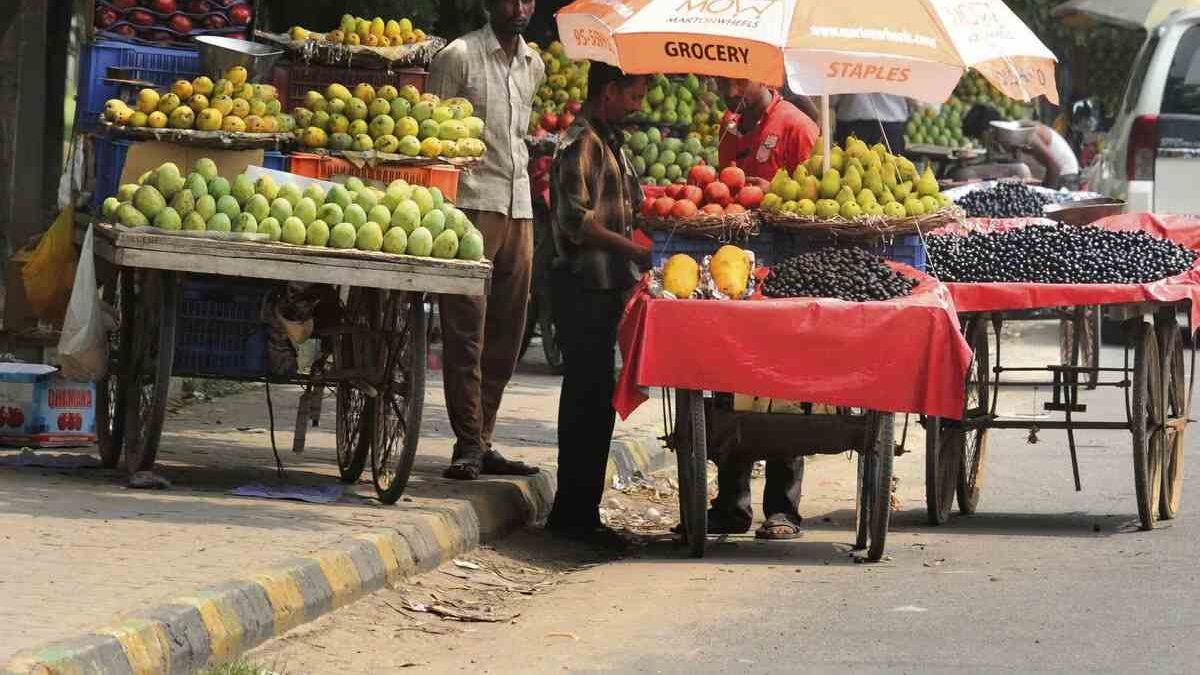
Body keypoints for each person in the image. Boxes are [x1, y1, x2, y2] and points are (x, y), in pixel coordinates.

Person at [427, 0, 544, 480]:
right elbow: (432, 136)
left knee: (508, 333)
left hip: (520, 209)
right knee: (465, 332)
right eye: (509, 0)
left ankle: (485, 437)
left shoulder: (533, 63)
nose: (519, 8)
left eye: (527, 1)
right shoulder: (458, 57)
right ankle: (468, 443)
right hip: (471, 206)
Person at [545, 63, 650, 544]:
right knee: (585, 400)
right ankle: (572, 516)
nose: (638, 105)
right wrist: (634, 251)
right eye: (633, 94)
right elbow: (576, 221)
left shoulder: (611, 143)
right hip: (582, 287)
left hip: (607, 288)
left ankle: (581, 513)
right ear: (610, 91)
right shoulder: (580, 142)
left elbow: (630, 206)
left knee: (596, 399)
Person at [713, 77, 819, 540]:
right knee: (729, 382)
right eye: (720, 80)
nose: (728, 88)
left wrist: (772, 189)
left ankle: (783, 508)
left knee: (784, 387)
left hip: (787, 279)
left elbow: (818, 201)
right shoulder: (729, 127)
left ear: (766, 76)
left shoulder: (796, 127)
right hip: (737, 279)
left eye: (737, 79)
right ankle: (731, 504)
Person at [959, 104, 1081, 189]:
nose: (980, 142)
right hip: (1053, 173)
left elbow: (1054, 167)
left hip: (1066, 176)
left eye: (979, 137)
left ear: (988, 131)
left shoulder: (1021, 133)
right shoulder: (1003, 138)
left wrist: (1045, 196)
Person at [833, 94, 912, 155]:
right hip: (891, 120)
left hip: (852, 118)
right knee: (893, 168)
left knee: (849, 166)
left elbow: (833, 97)